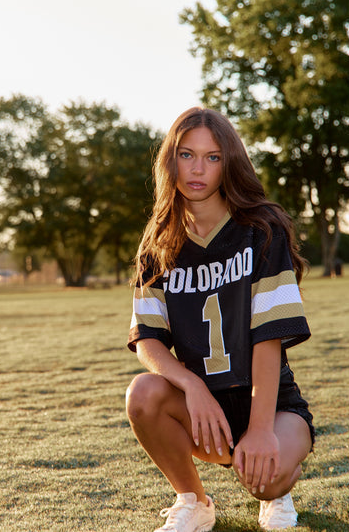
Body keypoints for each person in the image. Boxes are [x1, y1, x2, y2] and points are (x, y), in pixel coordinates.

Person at [126, 107, 314, 531]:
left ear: (229, 163)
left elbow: (269, 338)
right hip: (203, 409)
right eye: (187, 155)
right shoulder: (158, 244)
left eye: (212, 157)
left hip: (270, 403)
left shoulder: (261, 229)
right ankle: (193, 500)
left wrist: (262, 429)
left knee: (264, 484)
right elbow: (149, 340)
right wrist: (191, 386)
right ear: (170, 161)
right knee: (142, 393)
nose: (198, 169)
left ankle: (280, 488)